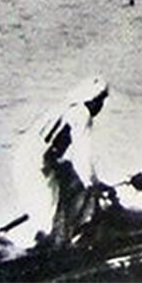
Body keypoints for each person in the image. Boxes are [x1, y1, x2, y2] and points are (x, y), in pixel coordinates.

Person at [10, 77, 113, 249]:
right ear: (94, 100)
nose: (100, 107)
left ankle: (68, 233)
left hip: (28, 159)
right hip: (36, 167)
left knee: (74, 191)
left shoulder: (65, 106)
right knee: (51, 224)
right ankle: (55, 249)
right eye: (101, 101)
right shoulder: (81, 113)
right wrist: (95, 185)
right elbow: (82, 158)